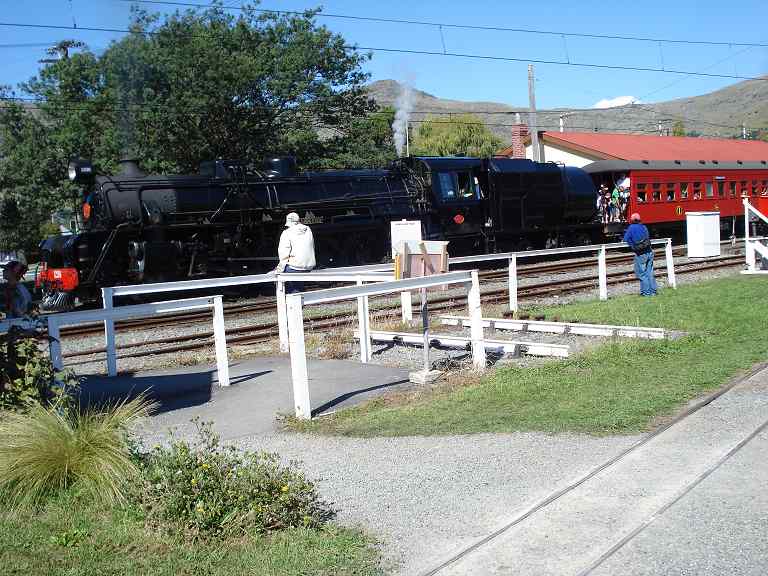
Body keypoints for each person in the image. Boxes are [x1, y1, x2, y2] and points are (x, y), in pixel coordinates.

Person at [277, 212, 316, 293]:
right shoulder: (308, 229)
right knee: (296, 272)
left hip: (295, 267)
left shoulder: (287, 233)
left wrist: (279, 269)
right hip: (310, 265)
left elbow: (284, 254)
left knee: (286, 272)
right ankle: (299, 294)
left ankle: (294, 297)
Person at [623, 213, 657, 296]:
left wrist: (632, 245)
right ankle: (653, 291)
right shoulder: (644, 227)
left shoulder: (631, 228)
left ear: (632, 220)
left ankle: (646, 293)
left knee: (641, 273)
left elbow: (625, 239)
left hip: (640, 253)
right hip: (649, 251)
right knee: (650, 272)